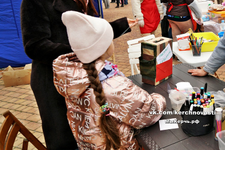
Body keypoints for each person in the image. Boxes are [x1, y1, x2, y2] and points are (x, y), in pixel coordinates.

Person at [20, 0, 138, 150]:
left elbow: (92, 32)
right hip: (53, 82)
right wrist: (81, 52)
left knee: (89, 133)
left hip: (84, 77)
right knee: (63, 139)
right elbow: (35, 46)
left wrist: (119, 26)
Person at [53, 11, 165, 150]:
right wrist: (159, 98)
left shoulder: (72, 77)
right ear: (104, 47)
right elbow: (148, 113)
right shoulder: (114, 86)